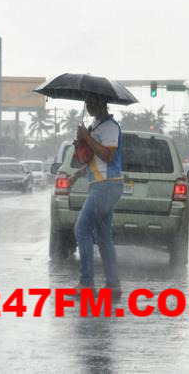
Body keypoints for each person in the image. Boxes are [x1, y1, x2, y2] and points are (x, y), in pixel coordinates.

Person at [68, 92, 124, 298]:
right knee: (103, 237)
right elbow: (93, 161)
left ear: (101, 102)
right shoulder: (96, 126)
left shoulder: (109, 127)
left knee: (81, 229)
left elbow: (108, 156)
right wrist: (77, 172)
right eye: (86, 100)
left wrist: (87, 138)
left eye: (91, 100)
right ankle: (113, 286)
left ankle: (86, 283)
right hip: (101, 185)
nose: (88, 104)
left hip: (106, 186)